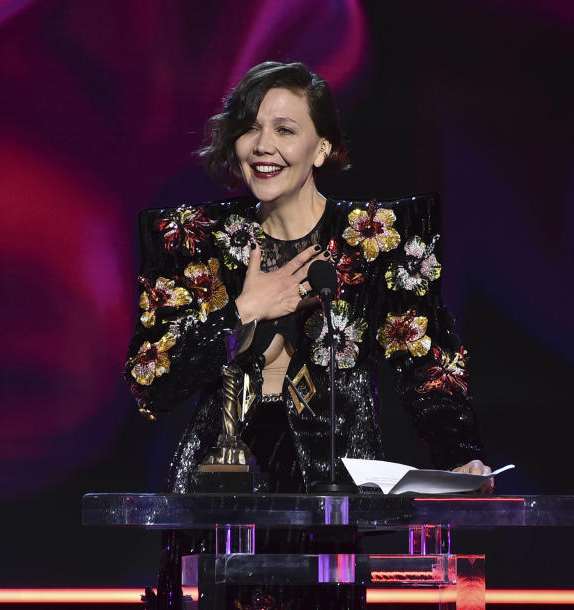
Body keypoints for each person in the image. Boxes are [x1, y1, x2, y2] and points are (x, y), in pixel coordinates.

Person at [123, 61, 491, 608]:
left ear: (322, 149)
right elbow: (150, 380)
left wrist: (460, 456)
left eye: (285, 129)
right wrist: (243, 309)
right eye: (250, 127)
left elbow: (424, 362)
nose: (262, 145)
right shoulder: (195, 239)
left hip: (333, 493)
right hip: (220, 489)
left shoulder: (376, 240)